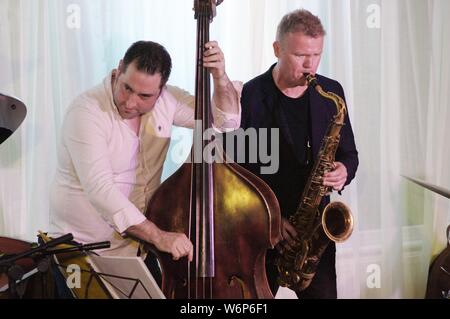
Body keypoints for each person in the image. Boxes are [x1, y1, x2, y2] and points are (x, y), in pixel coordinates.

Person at [49, 40, 241, 289]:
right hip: (80, 253)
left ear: (161, 90)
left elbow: (225, 122)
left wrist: (220, 77)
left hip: (134, 251)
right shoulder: (86, 112)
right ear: (119, 69)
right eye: (126, 88)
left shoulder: (168, 100)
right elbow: (101, 191)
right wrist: (159, 236)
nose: (130, 102)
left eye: (144, 96)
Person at [237, 9, 358, 298]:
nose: (310, 65)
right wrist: (270, 220)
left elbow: (350, 155)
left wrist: (343, 170)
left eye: (316, 55)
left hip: (313, 232)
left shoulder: (331, 92)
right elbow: (237, 175)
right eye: (301, 55)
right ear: (277, 49)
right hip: (264, 233)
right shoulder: (251, 94)